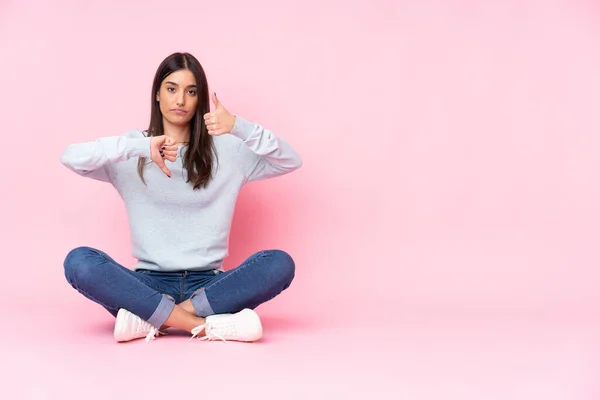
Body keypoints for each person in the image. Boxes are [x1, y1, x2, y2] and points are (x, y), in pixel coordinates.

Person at [61, 52, 302, 343]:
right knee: (79, 262)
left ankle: (155, 319)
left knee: (278, 263)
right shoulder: (133, 149)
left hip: (211, 286)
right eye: (172, 89)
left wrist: (239, 126)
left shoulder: (227, 151)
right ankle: (205, 326)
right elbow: (71, 157)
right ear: (157, 96)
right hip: (147, 283)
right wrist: (138, 146)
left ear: (199, 99)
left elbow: (290, 160)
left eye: (191, 92)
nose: (180, 100)